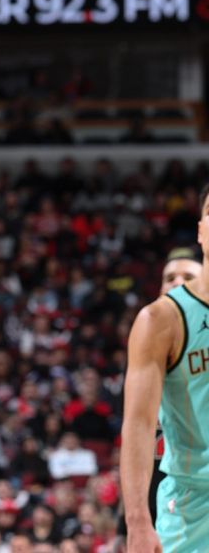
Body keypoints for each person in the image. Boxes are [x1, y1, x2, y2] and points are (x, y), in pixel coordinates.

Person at [121, 184, 209, 553]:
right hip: (194, 502)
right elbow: (139, 424)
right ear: (202, 230)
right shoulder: (162, 319)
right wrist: (138, 520)